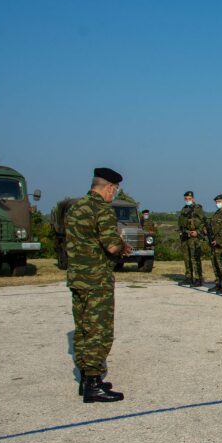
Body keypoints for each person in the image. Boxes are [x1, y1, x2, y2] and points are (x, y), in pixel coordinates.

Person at [66, 167, 132, 402]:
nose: (113, 195)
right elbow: (112, 246)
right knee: (99, 331)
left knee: (83, 329)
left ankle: (86, 379)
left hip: (78, 278)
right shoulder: (101, 209)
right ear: (109, 187)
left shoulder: (76, 207)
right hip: (96, 280)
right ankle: (94, 383)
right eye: (114, 191)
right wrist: (122, 246)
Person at [177, 191, 206, 287]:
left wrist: (198, 232)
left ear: (193, 198)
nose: (187, 200)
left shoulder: (197, 209)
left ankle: (198, 279)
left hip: (194, 237)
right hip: (185, 236)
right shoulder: (184, 209)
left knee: (195, 258)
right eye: (186, 199)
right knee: (186, 258)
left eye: (189, 199)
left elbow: (203, 222)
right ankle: (188, 277)